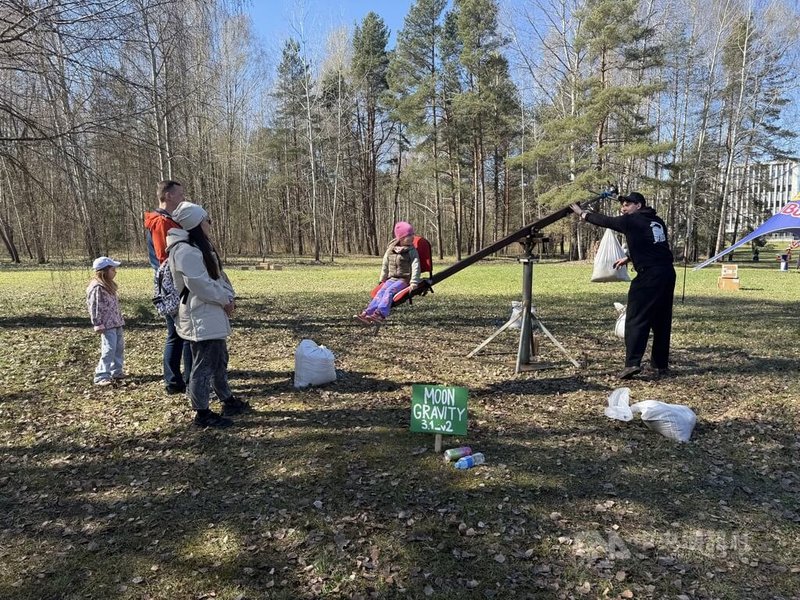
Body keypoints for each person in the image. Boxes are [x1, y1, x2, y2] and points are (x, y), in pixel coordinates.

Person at [571, 192, 676, 379]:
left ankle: (632, 364)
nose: (623, 208)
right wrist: (629, 257)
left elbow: (606, 221)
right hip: (667, 273)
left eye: (627, 204)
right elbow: (652, 244)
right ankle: (660, 365)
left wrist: (582, 213)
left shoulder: (632, 220)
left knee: (636, 318)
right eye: (623, 205)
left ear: (638, 205)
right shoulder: (657, 221)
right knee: (661, 320)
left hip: (649, 276)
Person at [167, 201, 248, 428]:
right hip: (200, 315)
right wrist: (224, 300)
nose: (209, 224)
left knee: (219, 360)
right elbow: (200, 285)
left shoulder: (198, 247)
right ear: (195, 223)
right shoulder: (184, 251)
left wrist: (229, 297)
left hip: (210, 313)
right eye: (206, 220)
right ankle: (202, 413)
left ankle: (226, 399)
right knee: (204, 366)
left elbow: (218, 277)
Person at [145, 180, 192, 394]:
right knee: (177, 333)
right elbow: (164, 256)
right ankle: (174, 381)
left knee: (180, 334)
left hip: (177, 281)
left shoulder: (169, 220)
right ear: (168, 195)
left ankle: (181, 379)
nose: (183, 197)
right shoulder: (160, 222)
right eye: (180, 194)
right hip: (171, 285)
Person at [355, 221, 421, 324]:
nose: (413, 237)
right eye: (409, 235)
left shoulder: (411, 251)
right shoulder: (391, 250)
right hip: (392, 278)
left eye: (413, 234)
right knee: (381, 291)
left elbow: (416, 266)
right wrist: (382, 279)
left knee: (389, 291)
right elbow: (385, 264)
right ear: (401, 237)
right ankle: (367, 313)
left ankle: (380, 314)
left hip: (404, 279)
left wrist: (414, 282)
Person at [86, 257, 125, 386]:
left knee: (118, 347)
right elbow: (95, 307)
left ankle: (116, 370)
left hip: (116, 321)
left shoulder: (109, 285)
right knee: (109, 348)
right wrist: (97, 323)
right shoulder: (97, 287)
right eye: (113, 269)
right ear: (104, 271)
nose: (115, 272)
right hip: (106, 324)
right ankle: (101, 375)